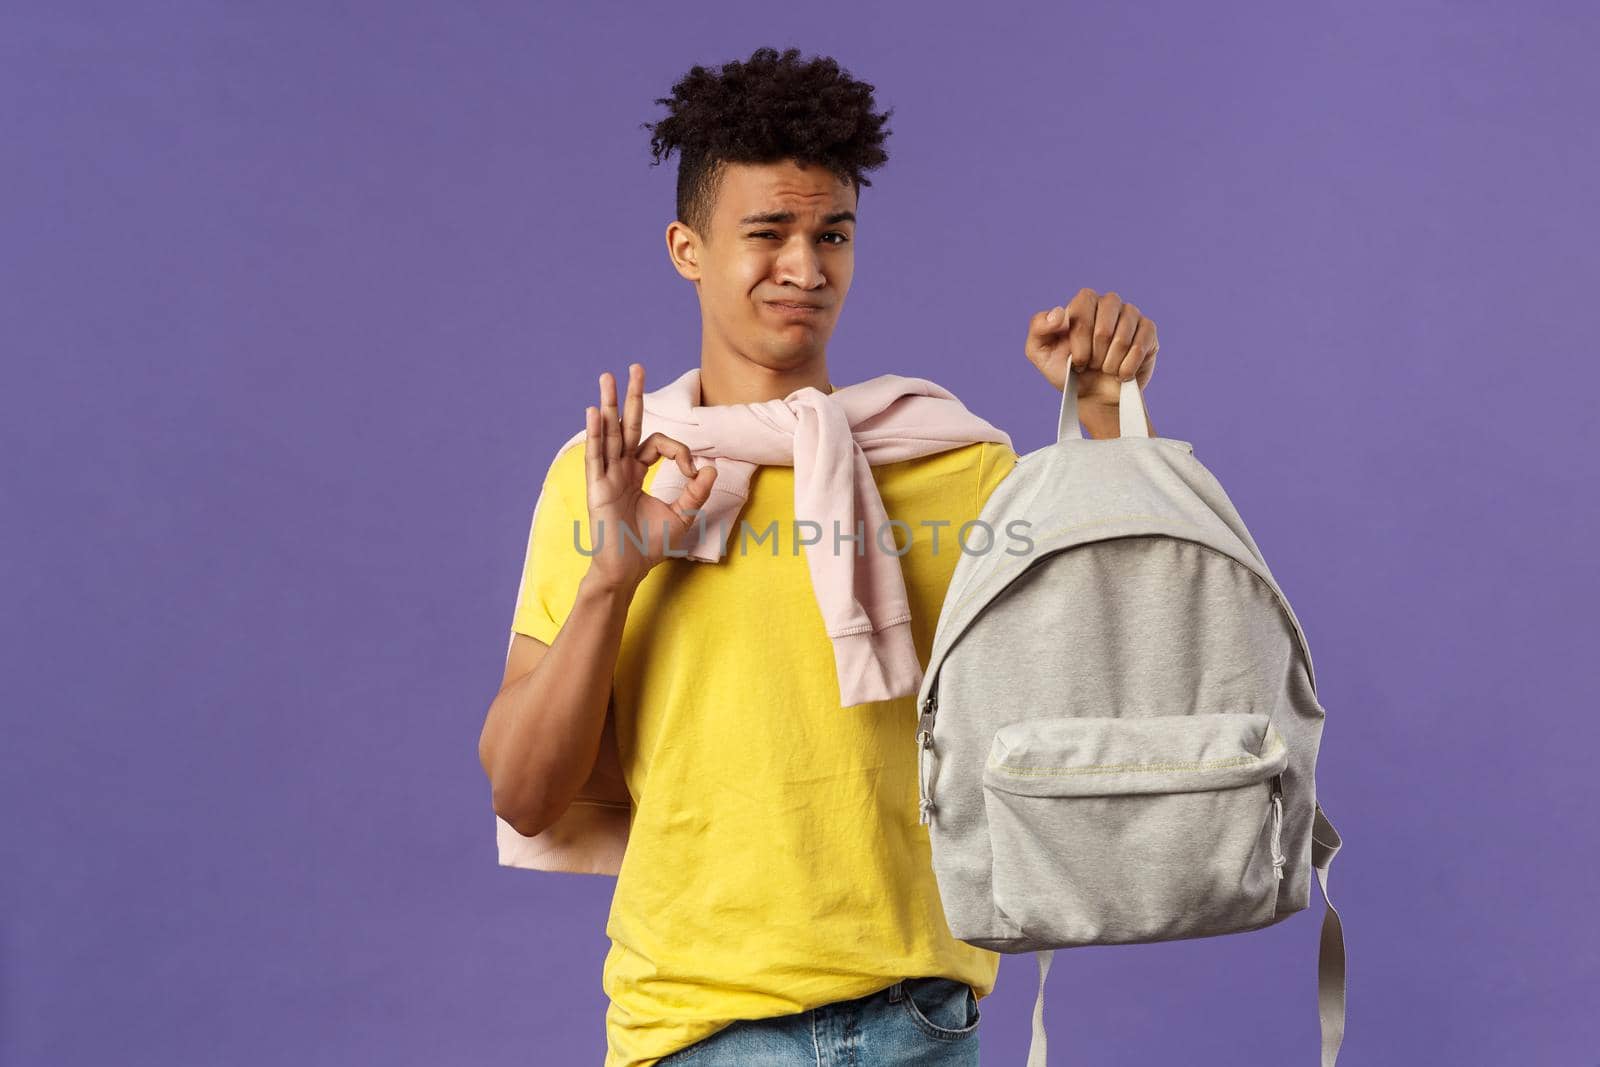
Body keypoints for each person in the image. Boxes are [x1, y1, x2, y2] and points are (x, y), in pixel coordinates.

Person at [477, 45, 1160, 1067]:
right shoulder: (615, 473)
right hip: (695, 1028)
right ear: (686, 247)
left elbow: (1115, 678)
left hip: (917, 1019)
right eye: (767, 233)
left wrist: (1104, 424)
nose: (805, 267)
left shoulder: (956, 466)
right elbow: (525, 793)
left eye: (830, 233)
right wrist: (612, 575)